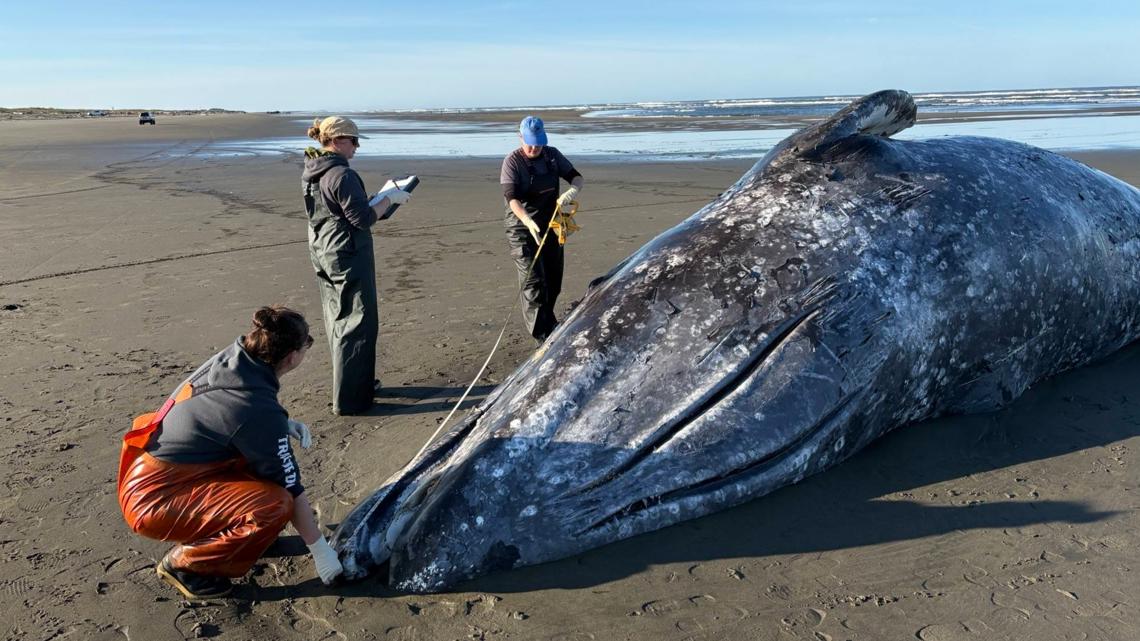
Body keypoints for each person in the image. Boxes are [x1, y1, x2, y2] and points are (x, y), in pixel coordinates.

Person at [117, 306, 343, 600]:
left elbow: (223, 414)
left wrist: (280, 425)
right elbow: (292, 486)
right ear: (292, 357)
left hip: (153, 470)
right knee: (276, 504)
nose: (307, 348)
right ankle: (186, 566)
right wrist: (321, 551)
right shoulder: (256, 408)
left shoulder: (236, 360)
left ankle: (246, 538)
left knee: (262, 466)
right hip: (153, 498)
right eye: (306, 344)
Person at [302, 116, 411, 415]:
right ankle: (351, 399)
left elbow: (346, 209)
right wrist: (389, 201)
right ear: (337, 141)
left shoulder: (314, 169)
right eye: (353, 140)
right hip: (347, 254)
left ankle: (357, 384)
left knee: (339, 320)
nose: (357, 147)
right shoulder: (340, 174)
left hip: (324, 250)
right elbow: (362, 219)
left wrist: (373, 200)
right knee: (358, 323)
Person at [500, 116, 585, 344]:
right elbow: (511, 198)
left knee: (553, 278)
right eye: (530, 143)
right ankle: (543, 336)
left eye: (538, 143)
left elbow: (576, 177)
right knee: (533, 282)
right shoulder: (512, 162)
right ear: (520, 138)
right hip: (522, 227)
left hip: (550, 225)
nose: (534, 148)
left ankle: (550, 323)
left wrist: (572, 191)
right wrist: (527, 220)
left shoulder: (552, 155)